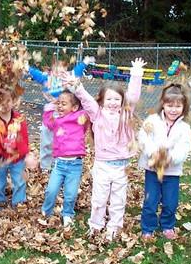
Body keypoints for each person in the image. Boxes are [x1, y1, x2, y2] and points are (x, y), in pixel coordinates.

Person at [65, 57, 145, 241]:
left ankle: (114, 227)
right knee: (99, 199)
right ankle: (95, 225)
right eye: (109, 98)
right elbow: (85, 99)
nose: (113, 102)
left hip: (121, 166)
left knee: (118, 200)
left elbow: (133, 95)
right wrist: (76, 85)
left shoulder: (126, 113)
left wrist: (136, 73)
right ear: (102, 100)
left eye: (117, 99)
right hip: (102, 165)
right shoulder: (97, 113)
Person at [138, 83, 191, 240]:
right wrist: (153, 153)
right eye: (170, 105)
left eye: (178, 106)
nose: (173, 110)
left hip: (172, 172)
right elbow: (143, 137)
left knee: (170, 202)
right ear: (163, 104)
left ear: (184, 107)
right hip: (153, 170)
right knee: (150, 201)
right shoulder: (152, 120)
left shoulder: (184, 128)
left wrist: (171, 158)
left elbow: (184, 147)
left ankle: (167, 225)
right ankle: (148, 227)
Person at [27, 56, 94, 172]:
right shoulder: (47, 79)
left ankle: (59, 162)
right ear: (52, 71)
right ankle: (45, 166)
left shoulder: (68, 78)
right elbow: (36, 74)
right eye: (56, 70)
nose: (59, 73)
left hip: (66, 115)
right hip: (51, 114)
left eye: (62, 70)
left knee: (63, 139)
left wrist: (85, 62)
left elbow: (77, 71)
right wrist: (27, 68)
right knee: (47, 140)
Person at [41, 90, 89, 227]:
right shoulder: (57, 122)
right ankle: (46, 211)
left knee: (71, 193)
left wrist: (79, 93)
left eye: (64, 104)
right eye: (59, 104)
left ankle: (67, 214)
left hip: (75, 164)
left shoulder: (80, 117)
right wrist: (51, 106)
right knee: (51, 190)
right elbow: (47, 121)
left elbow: (89, 111)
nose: (60, 106)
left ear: (74, 107)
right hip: (59, 164)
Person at [0, 89, 31, 211]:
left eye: (8, 101)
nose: (4, 105)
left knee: (19, 181)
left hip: (16, 158)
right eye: (0, 102)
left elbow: (23, 138)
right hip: (0, 158)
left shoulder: (19, 119)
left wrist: (25, 153)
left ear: (13, 101)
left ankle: (19, 203)